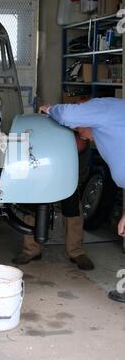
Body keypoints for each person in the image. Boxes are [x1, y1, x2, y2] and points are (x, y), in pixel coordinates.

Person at [39, 97, 125, 302]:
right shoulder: (112, 117)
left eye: (79, 130)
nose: (83, 136)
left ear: (87, 116)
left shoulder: (102, 107)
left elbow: (67, 115)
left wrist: (49, 108)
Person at [13, 133, 94, 271]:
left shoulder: (78, 134)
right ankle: (31, 250)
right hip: (41, 159)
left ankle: (76, 251)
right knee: (32, 205)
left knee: (73, 207)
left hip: (68, 168)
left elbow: (80, 152)